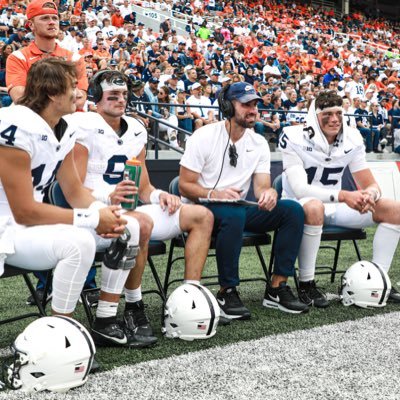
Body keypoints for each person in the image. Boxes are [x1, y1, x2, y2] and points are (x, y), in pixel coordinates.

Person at [71, 70, 214, 343]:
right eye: (113, 96)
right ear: (96, 99)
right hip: (90, 212)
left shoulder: (135, 128)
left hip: (125, 210)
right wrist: (109, 195)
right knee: (141, 223)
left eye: (124, 95)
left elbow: (144, 187)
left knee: (200, 215)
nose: (121, 100)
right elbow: (73, 187)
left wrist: (160, 195)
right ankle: (134, 306)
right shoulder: (84, 125)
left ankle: (188, 298)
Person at [0, 58, 125, 324]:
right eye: (72, 86)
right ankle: (60, 327)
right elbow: (24, 211)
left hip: (23, 227)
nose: (79, 92)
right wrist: (92, 219)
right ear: (52, 93)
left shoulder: (64, 127)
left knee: (113, 231)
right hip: (5, 226)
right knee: (78, 242)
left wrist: (104, 212)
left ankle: (85, 323)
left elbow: (74, 190)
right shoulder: (16, 124)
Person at [179, 82, 308, 319]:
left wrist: (269, 194)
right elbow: (184, 185)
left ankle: (277, 288)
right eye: (245, 104)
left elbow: (261, 187)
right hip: (202, 209)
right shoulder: (204, 135)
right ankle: (227, 290)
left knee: (292, 210)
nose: (253, 110)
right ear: (228, 107)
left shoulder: (258, 142)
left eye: (255, 104)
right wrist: (214, 193)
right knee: (234, 214)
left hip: (236, 209)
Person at [279, 90, 400, 307]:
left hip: (335, 206)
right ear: (314, 117)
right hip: (299, 207)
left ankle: (378, 280)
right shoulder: (293, 136)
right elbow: (299, 189)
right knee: (315, 206)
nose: (335, 119)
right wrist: (344, 195)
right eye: (327, 114)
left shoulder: (352, 137)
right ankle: (307, 283)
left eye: (338, 113)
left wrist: (369, 195)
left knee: (394, 209)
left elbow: (370, 184)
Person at [6, 0, 88, 103]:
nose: (51, 22)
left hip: (70, 118)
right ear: (31, 25)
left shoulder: (75, 58)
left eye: (54, 18)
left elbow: (80, 100)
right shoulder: (18, 57)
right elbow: (21, 98)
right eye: (45, 18)